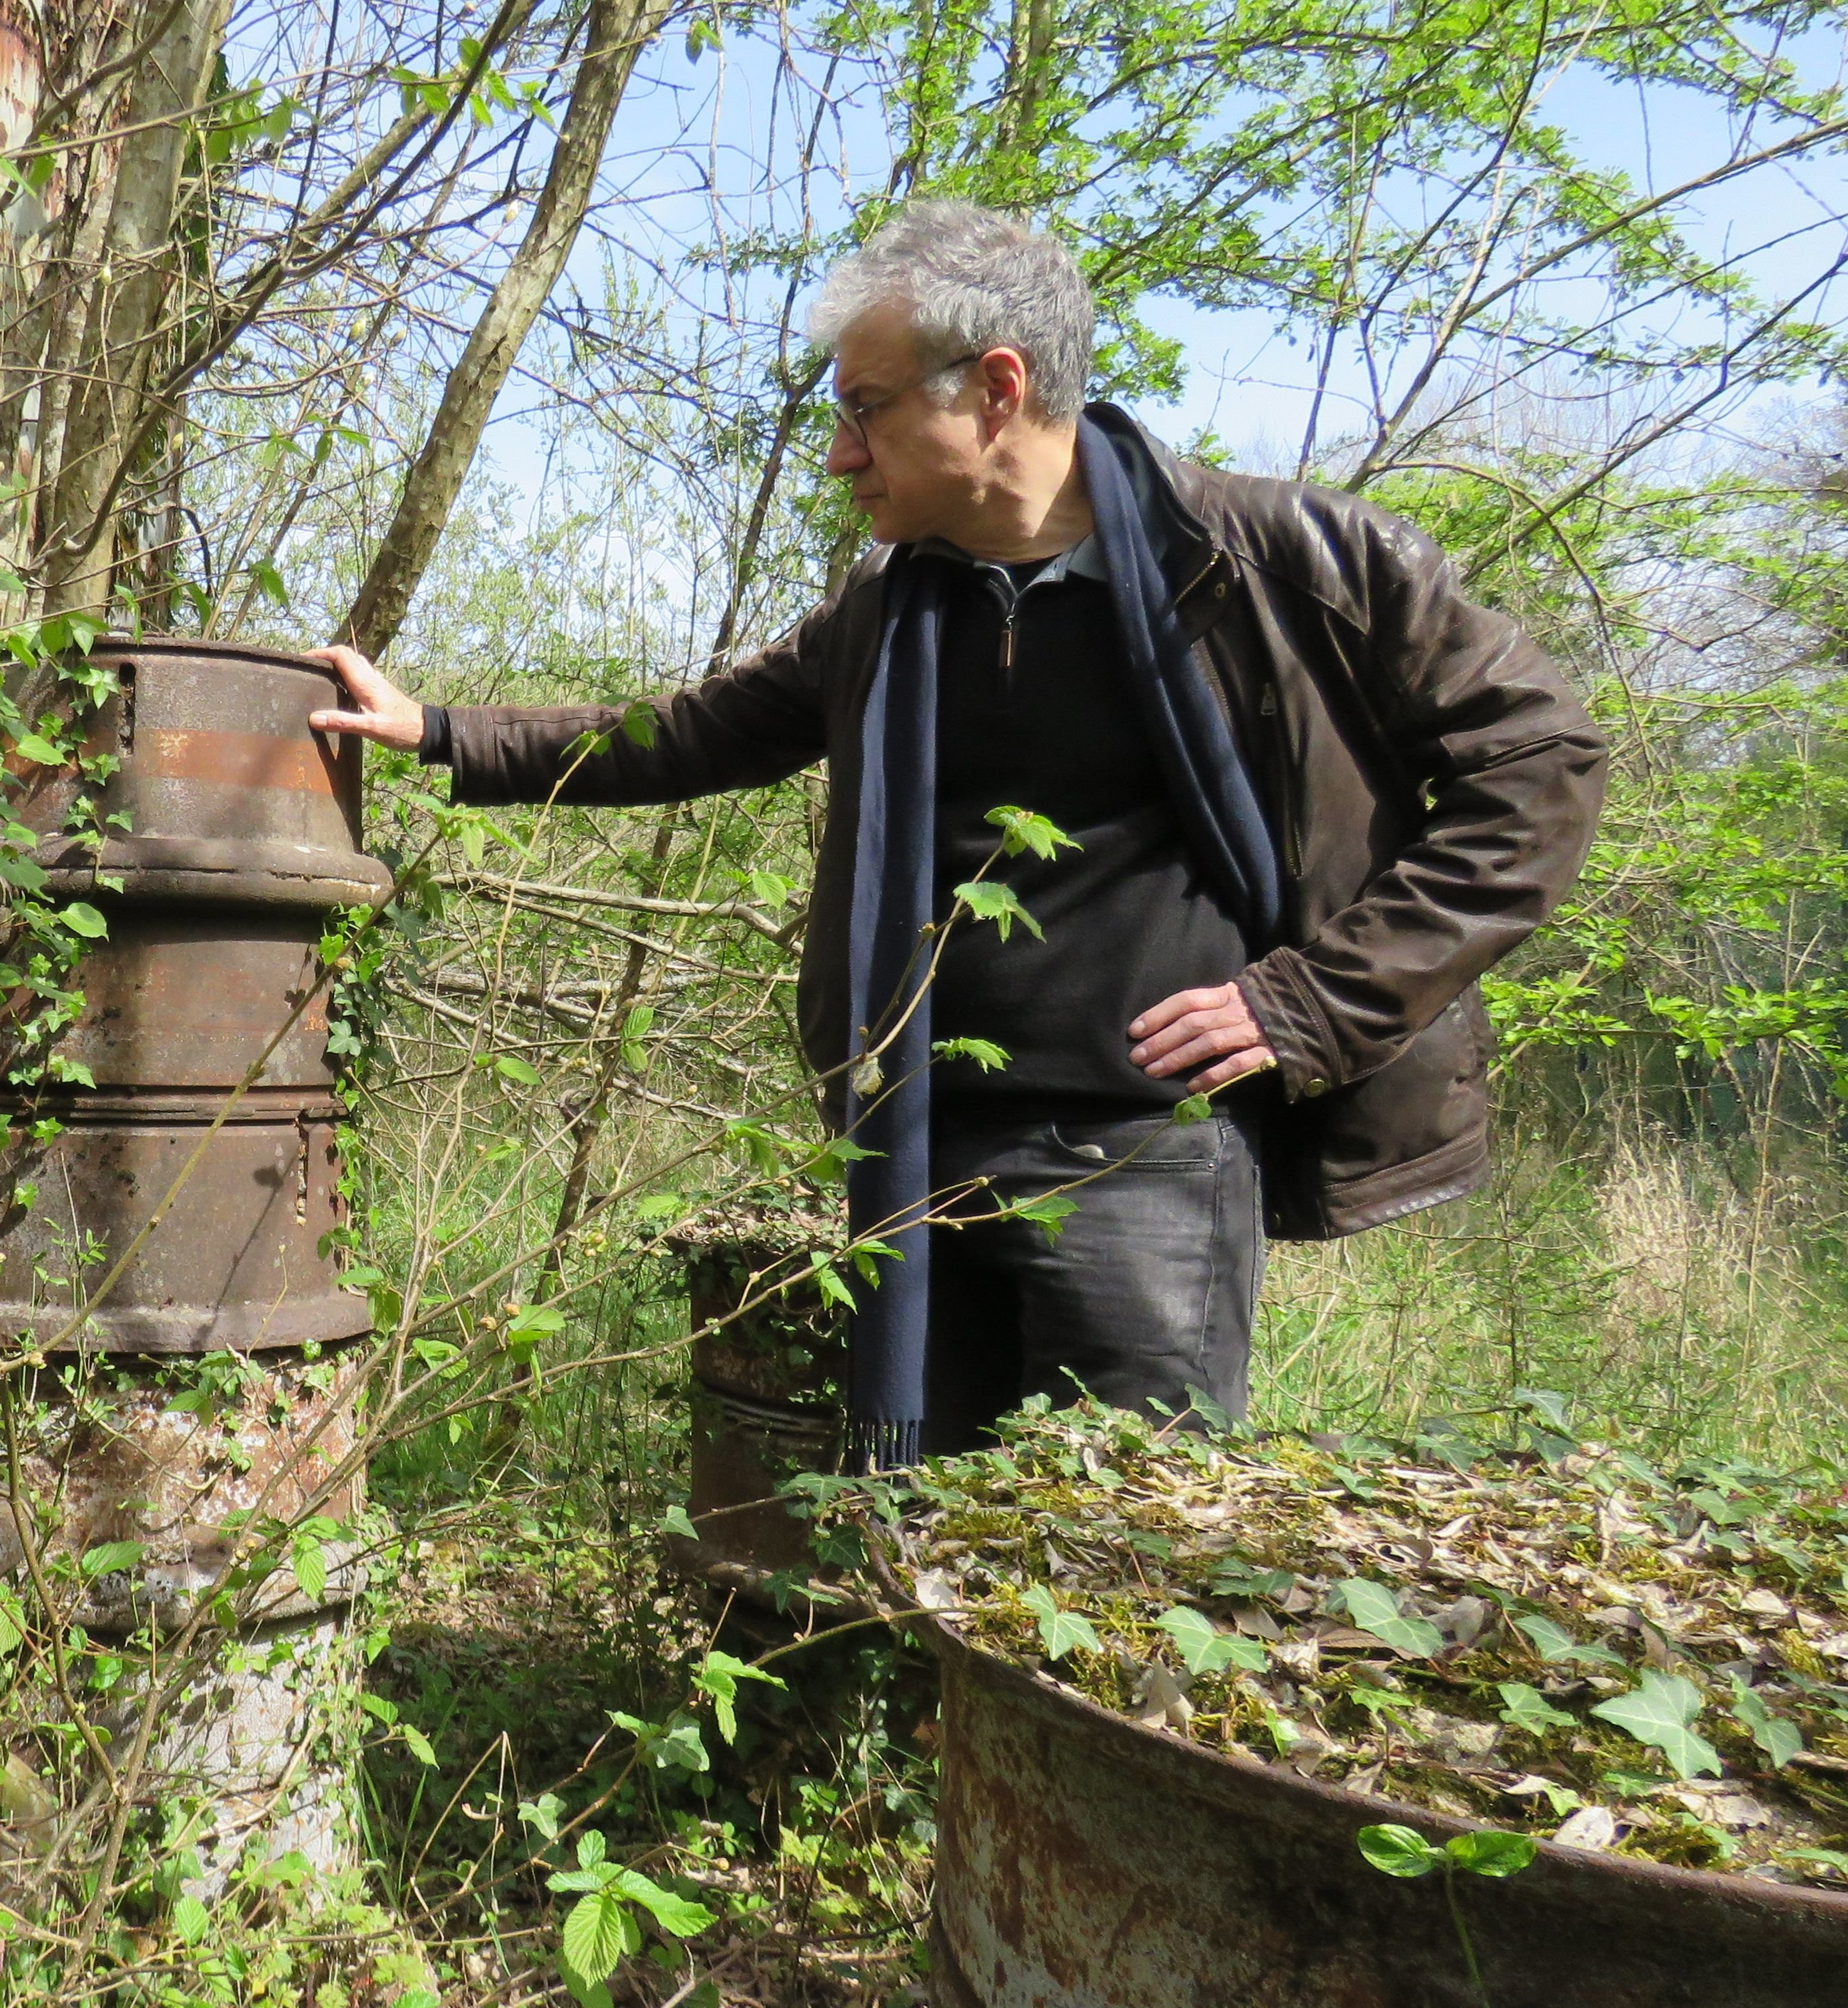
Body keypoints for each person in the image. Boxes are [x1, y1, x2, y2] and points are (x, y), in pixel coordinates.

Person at [307, 198, 1606, 1465]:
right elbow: (695, 734)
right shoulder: (891, 611)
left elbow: (1540, 767)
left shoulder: (1287, 563)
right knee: (917, 1541)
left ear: (993, 389)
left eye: (863, 409)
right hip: (917, 1144)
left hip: (1151, 1156)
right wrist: (438, 733)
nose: (837, 453)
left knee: (1120, 1557)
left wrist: (1315, 1002)